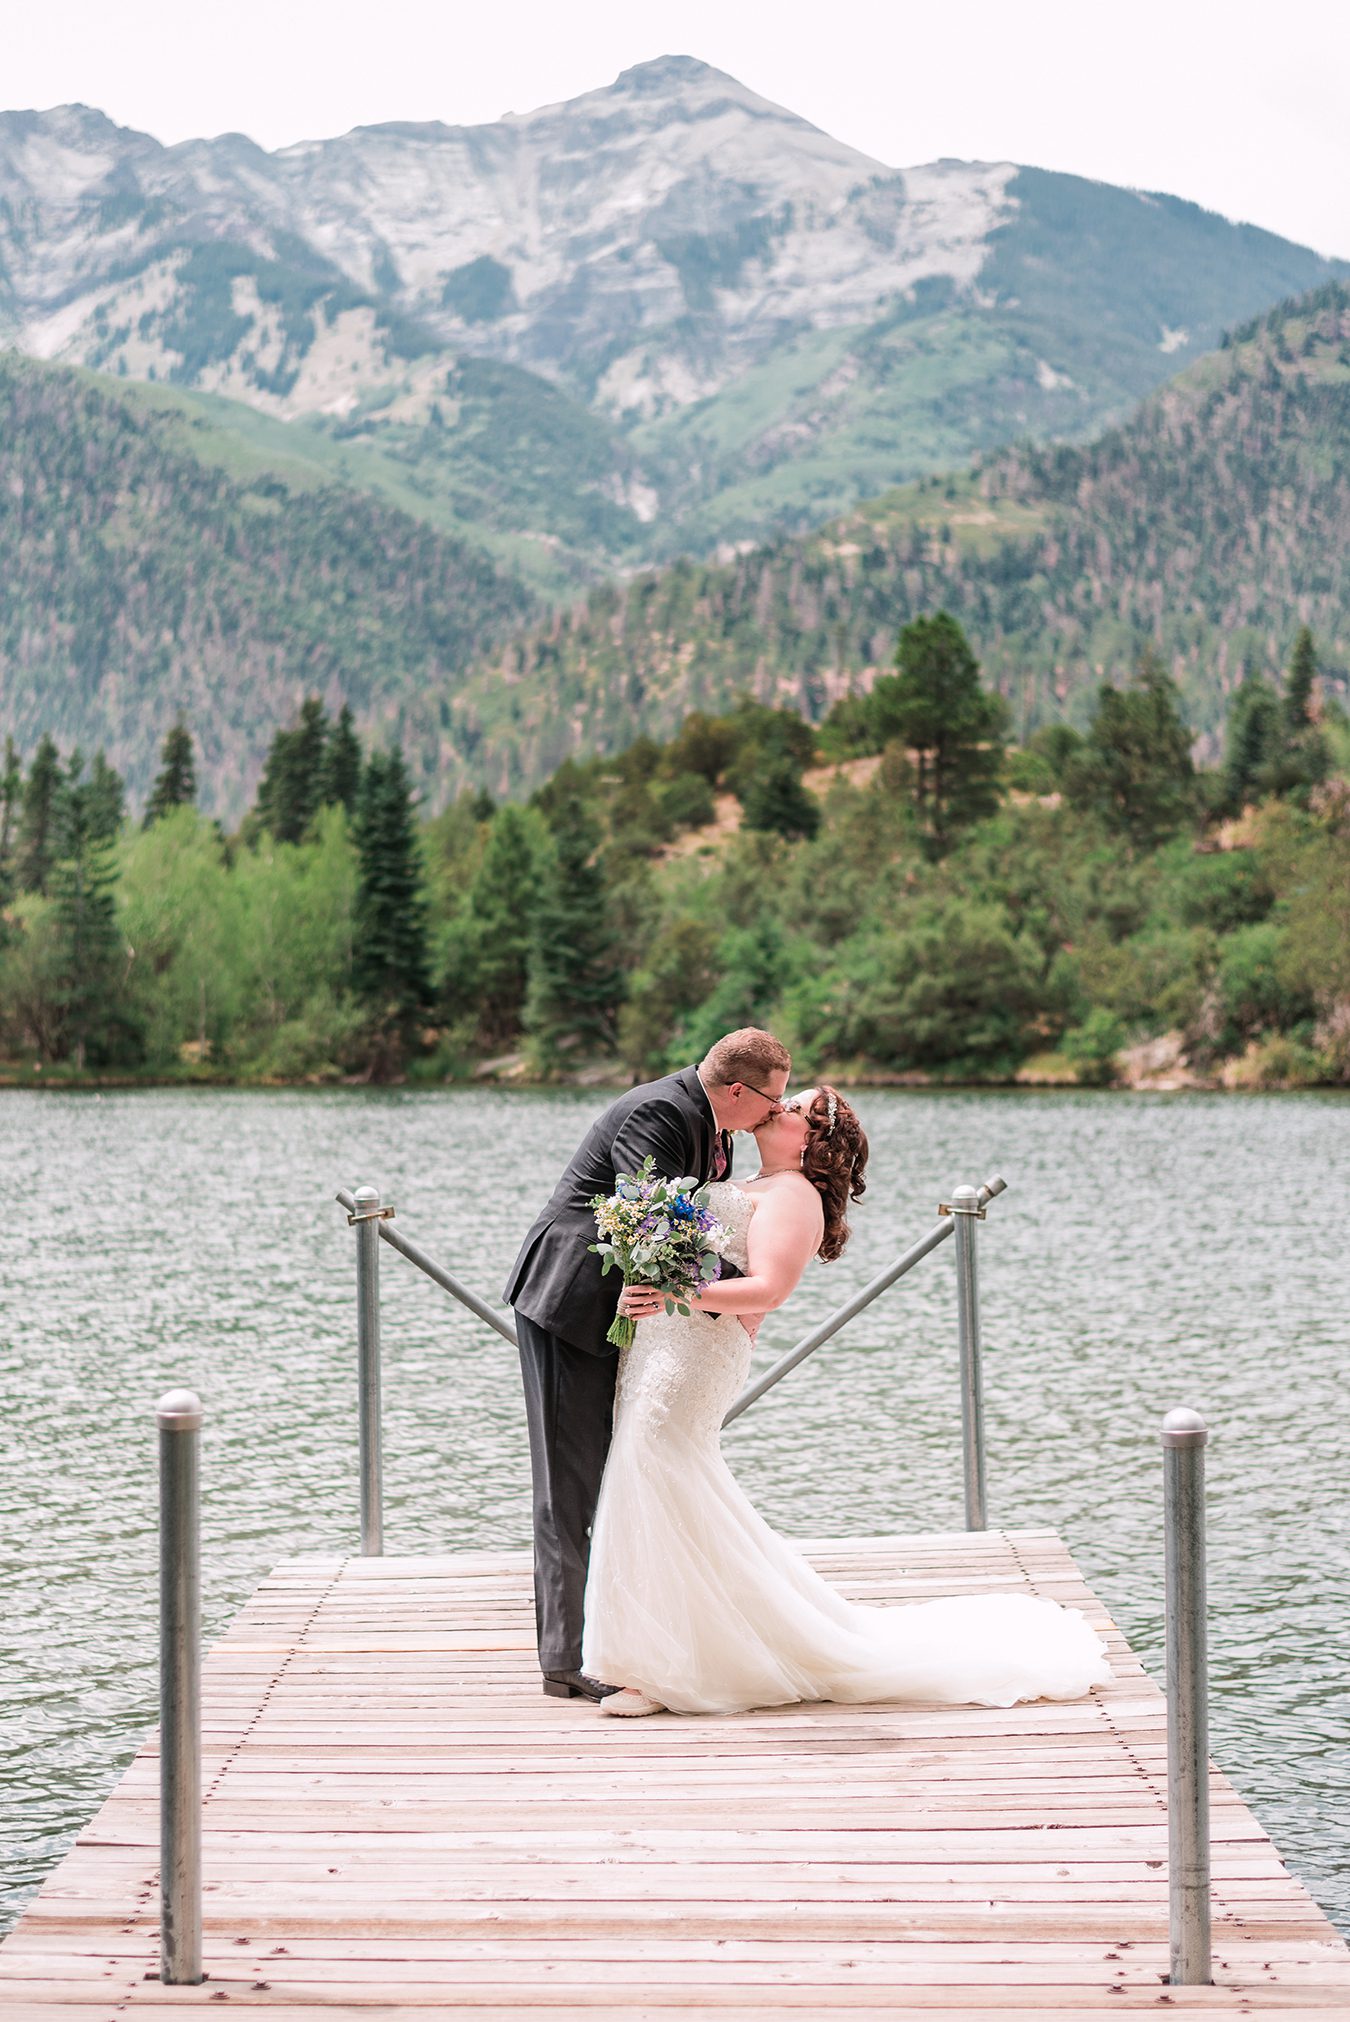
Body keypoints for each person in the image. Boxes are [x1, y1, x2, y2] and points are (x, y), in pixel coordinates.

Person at [582, 1086, 1112, 1717]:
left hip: (697, 1356)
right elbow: (706, 1261)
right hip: (662, 1344)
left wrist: (678, 1291)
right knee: (658, 1480)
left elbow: (769, 1290)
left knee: (657, 1472)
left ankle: (663, 1669)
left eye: (792, 1109)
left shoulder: (795, 1197)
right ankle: (667, 1651)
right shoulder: (743, 1175)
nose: (777, 1109)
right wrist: (652, 1280)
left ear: (809, 1142)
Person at [504, 1027, 792, 1700]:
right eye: (773, 1101)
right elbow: (646, 1213)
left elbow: (679, 1227)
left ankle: (613, 1639)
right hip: (569, 1303)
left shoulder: (717, 1128)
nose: (776, 1115)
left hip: (629, 1315)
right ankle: (563, 1660)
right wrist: (721, 1286)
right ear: (739, 1090)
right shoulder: (660, 1111)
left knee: (616, 1473)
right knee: (566, 1482)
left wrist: (723, 1291)